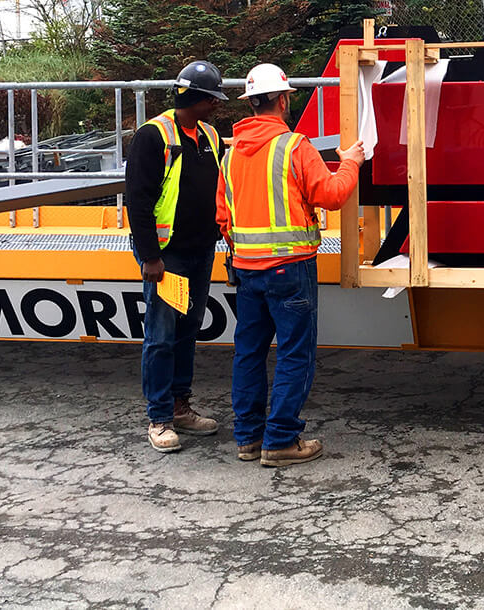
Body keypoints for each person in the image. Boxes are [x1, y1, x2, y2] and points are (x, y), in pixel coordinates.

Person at [218, 62, 366, 467]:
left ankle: (248, 438)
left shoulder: (230, 155)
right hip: (290, 269)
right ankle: (281, 440)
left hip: (246, 270)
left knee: (248, 352)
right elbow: (333, 195)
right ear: (283, 100)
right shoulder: (293, 147)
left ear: (251, 104)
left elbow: (224, 217)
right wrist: (350, 161)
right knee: (294, 354)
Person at [124, 59, 228, 453]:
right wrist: (150, 256)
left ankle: (180, 405)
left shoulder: (210, 136)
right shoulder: (154, 136)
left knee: (187, 331)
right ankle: (160, 417)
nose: (216, 106)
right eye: (210, 100)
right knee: (162, 336)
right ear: (191, 98)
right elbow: (138, 200)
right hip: (166, 257)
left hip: (200, 250)